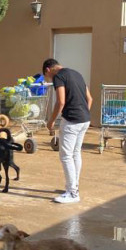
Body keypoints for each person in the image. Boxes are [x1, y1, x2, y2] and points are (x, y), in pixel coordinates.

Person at [43, 58, 93, 204]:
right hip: (84, 119)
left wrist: (51, 121)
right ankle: (73, 187)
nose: (51, 79)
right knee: (75, 153)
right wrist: (82, 113)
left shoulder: (59, 76)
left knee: (66, 156)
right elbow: (90, 99)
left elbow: (61, 102)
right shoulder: (77, 74)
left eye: (48, 77)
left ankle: (72, 193)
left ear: (48, 70)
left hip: (72, 121)